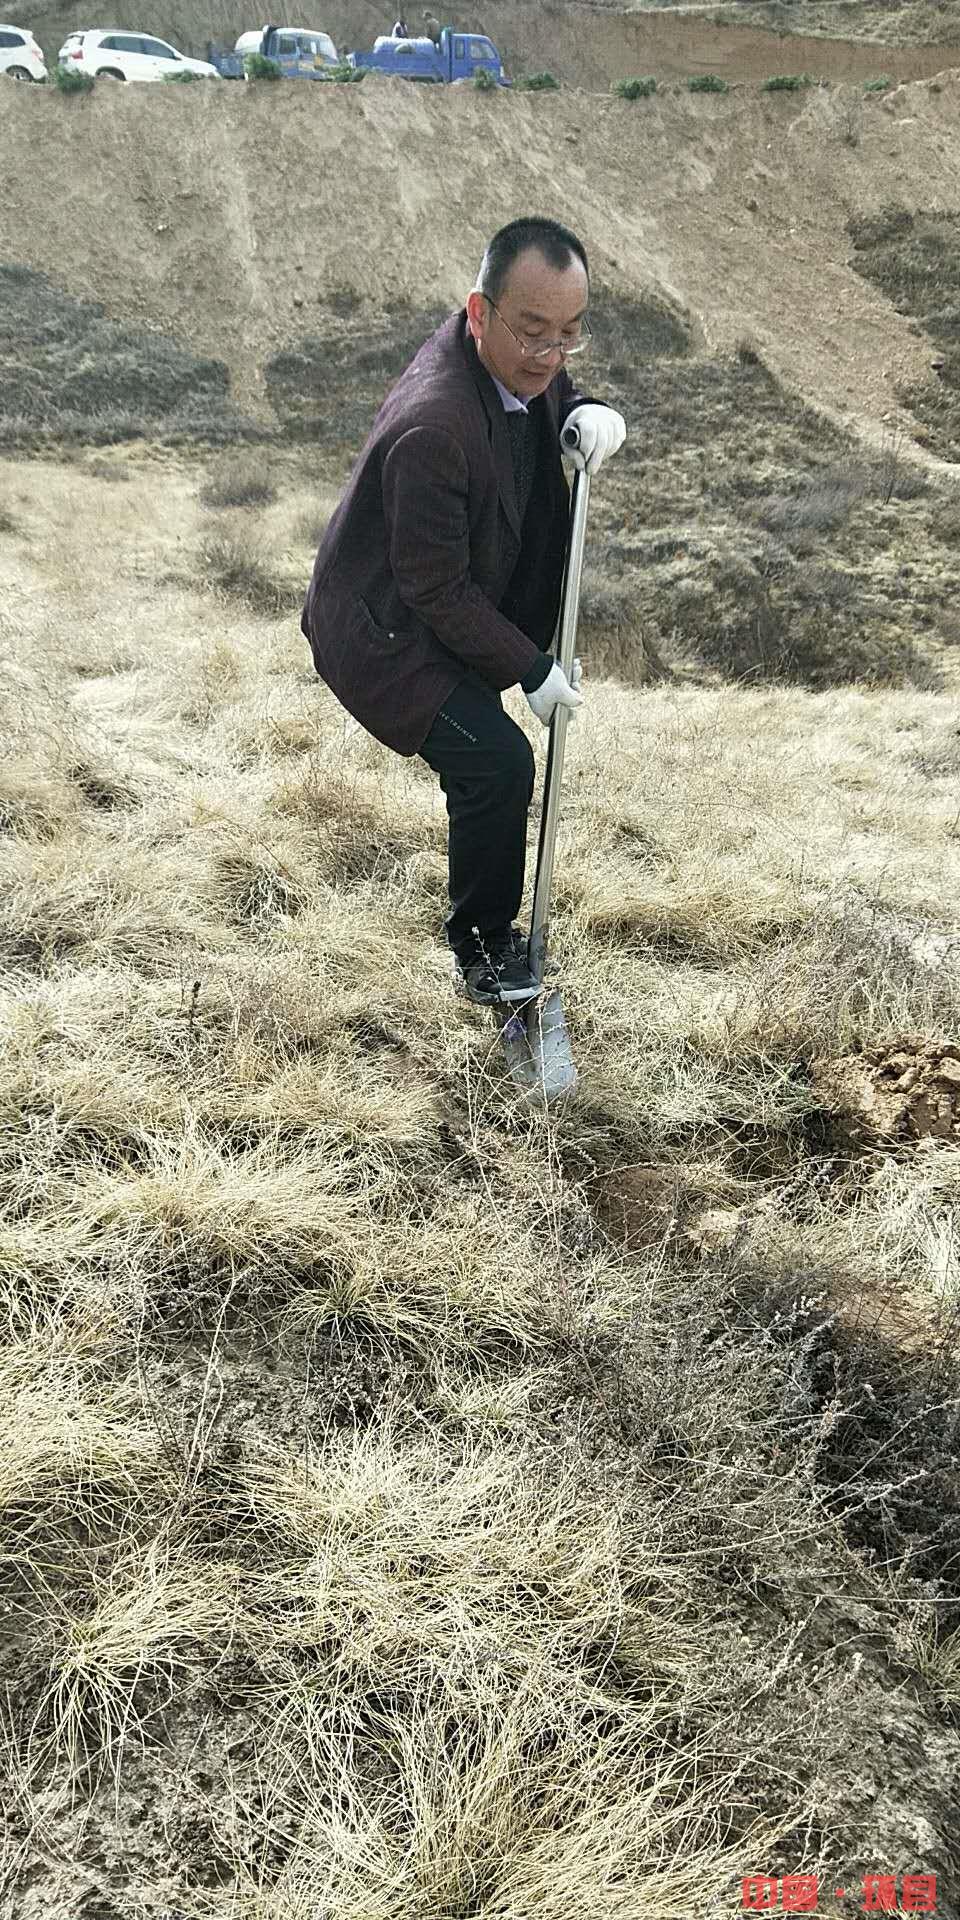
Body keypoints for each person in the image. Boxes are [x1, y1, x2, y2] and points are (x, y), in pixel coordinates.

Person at [301, 217, 626, 1005]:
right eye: (535, 332)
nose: (551, 355)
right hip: (383, 630)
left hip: (438, 603)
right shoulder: (435, 427)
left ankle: (487, 926)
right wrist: (530, 669)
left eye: (570, 334)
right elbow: (435, 590)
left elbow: (552, 385)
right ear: (479, 312)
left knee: (491, 757)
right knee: (497, 761)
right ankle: (483, 947)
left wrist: (585, 410)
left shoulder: (516, 365)